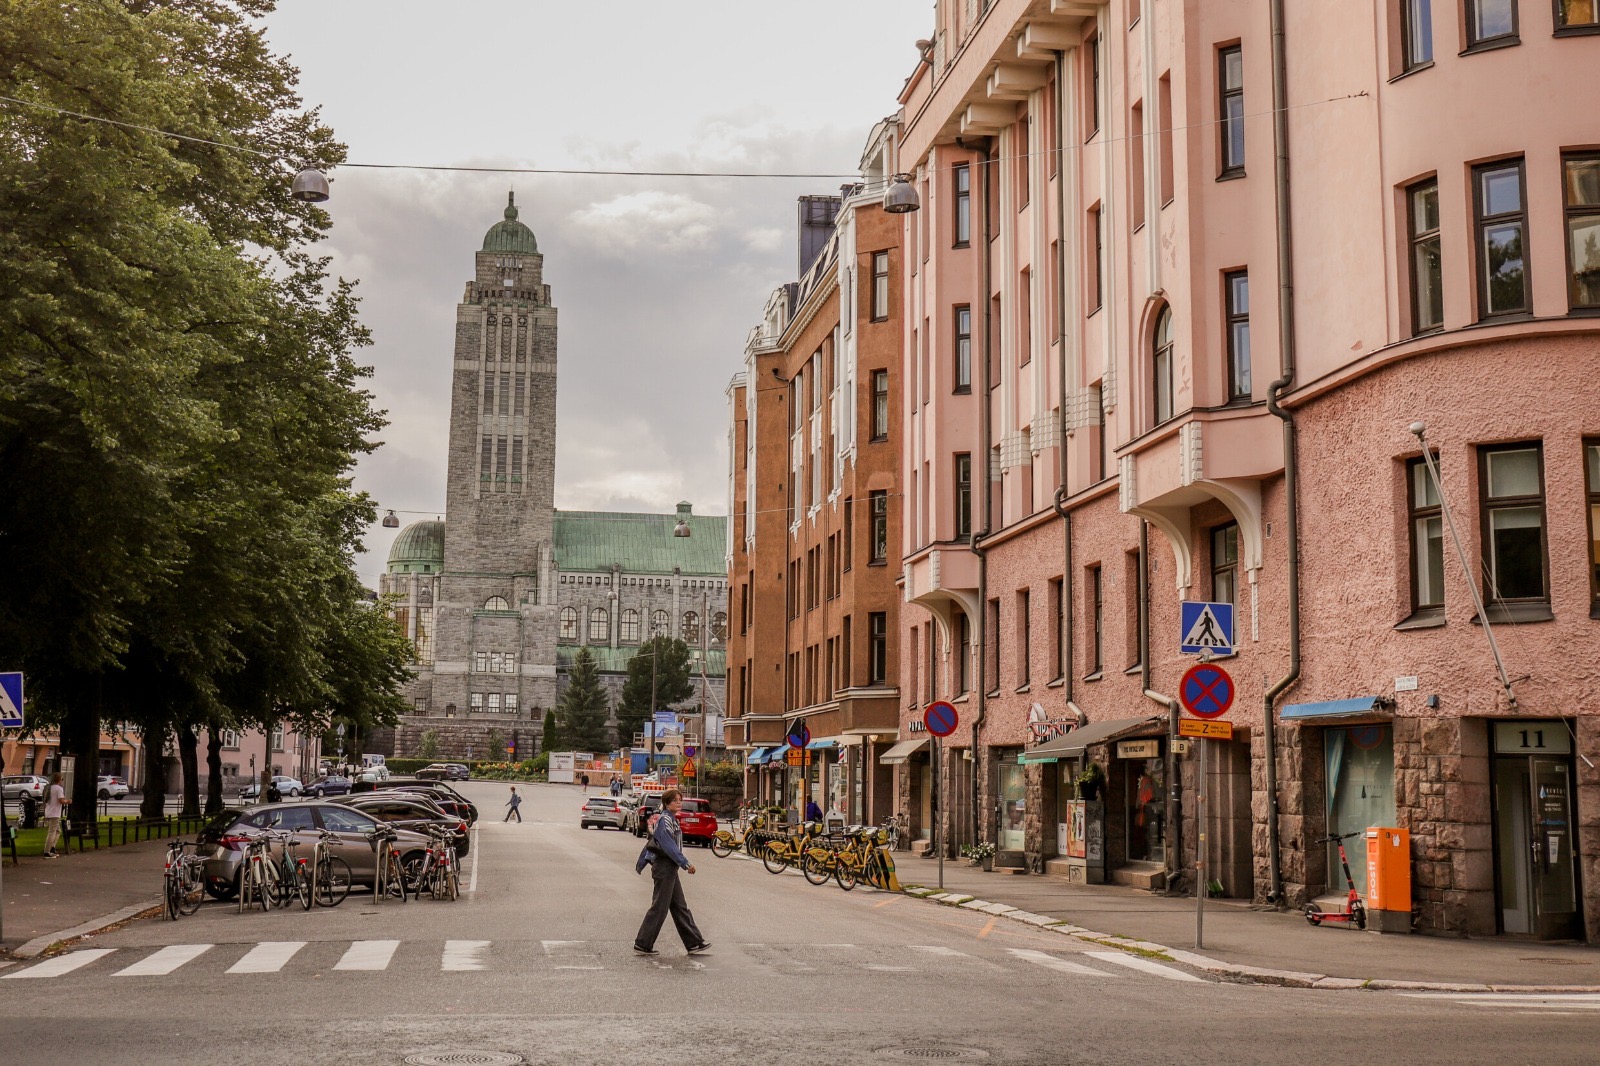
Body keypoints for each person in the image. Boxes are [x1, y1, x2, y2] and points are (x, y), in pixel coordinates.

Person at [633, 788, 709, 957]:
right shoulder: (665, 820)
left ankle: (694, 942)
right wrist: (685, 863)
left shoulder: (672, 819)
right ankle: (643, 943)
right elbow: (668, 845)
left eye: (680, 800)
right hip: (664, 867)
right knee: (660, 906)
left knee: (679, 906)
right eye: (675, 800)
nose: (679, 803)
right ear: (667, 803)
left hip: (670, 868)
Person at [42, 772, 67, 859]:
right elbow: (61, 800)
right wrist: (68, 801)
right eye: (62, 779)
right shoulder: (58, 789)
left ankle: (52, 847)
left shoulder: (49, 788)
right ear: (59, 780)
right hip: (55, 813)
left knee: (57, 831)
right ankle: (47, 851)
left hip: (49, 812)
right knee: (52, 832)